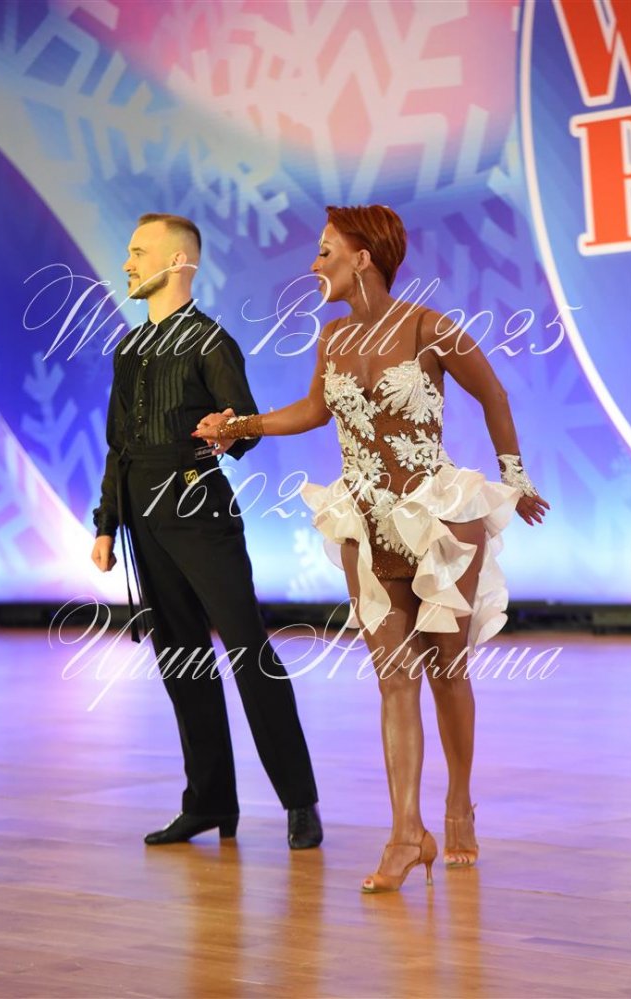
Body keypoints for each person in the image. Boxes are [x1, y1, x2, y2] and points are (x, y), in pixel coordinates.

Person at [194, 204, 549, 892]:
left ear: (363, 258)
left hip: (440, 520)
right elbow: (314, 411)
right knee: (393, 679)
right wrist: (240, 426)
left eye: (326, 251)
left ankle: (458, 803)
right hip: (365, 523)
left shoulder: (428, 326)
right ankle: (406, 834)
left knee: (448, 672)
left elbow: (494, 394)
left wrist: (516, 479)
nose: (314, 263)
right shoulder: (332, 337)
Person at [91, 212, 322, 850]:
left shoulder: (210, 342)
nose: (128, 263)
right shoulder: (129, 349)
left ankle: (299, 801)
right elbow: (118, 445)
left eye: (139, 252)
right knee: (181, 660)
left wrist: (228, 430)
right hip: (144, 517)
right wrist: (107, 524)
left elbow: (244, 429)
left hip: (200, 510)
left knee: (249, 651)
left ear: (176, 262)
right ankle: (210, 803)